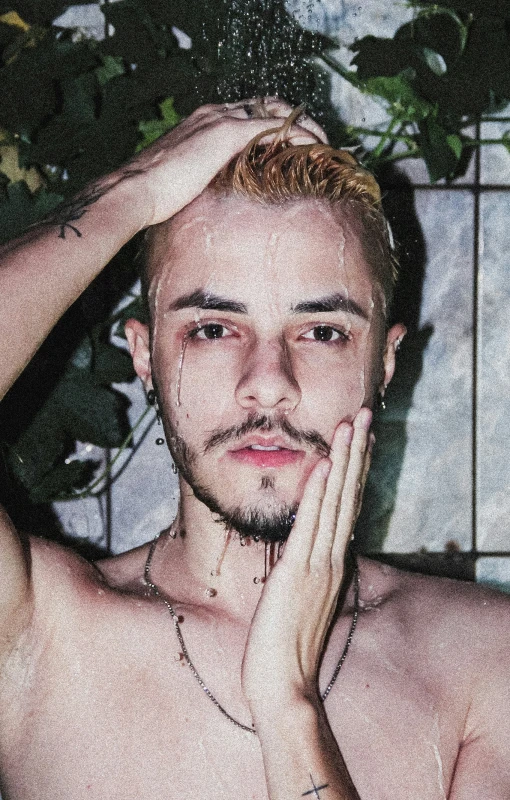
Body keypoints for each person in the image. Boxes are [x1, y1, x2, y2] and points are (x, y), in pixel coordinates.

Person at [0, 98, 509, 800]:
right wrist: (136, 193)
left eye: (322, 331)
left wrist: (286, 702)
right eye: (213, 328)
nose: (268, 386)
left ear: (384, 363)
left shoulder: (486, 659)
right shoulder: (42, 636)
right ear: (144, 356)